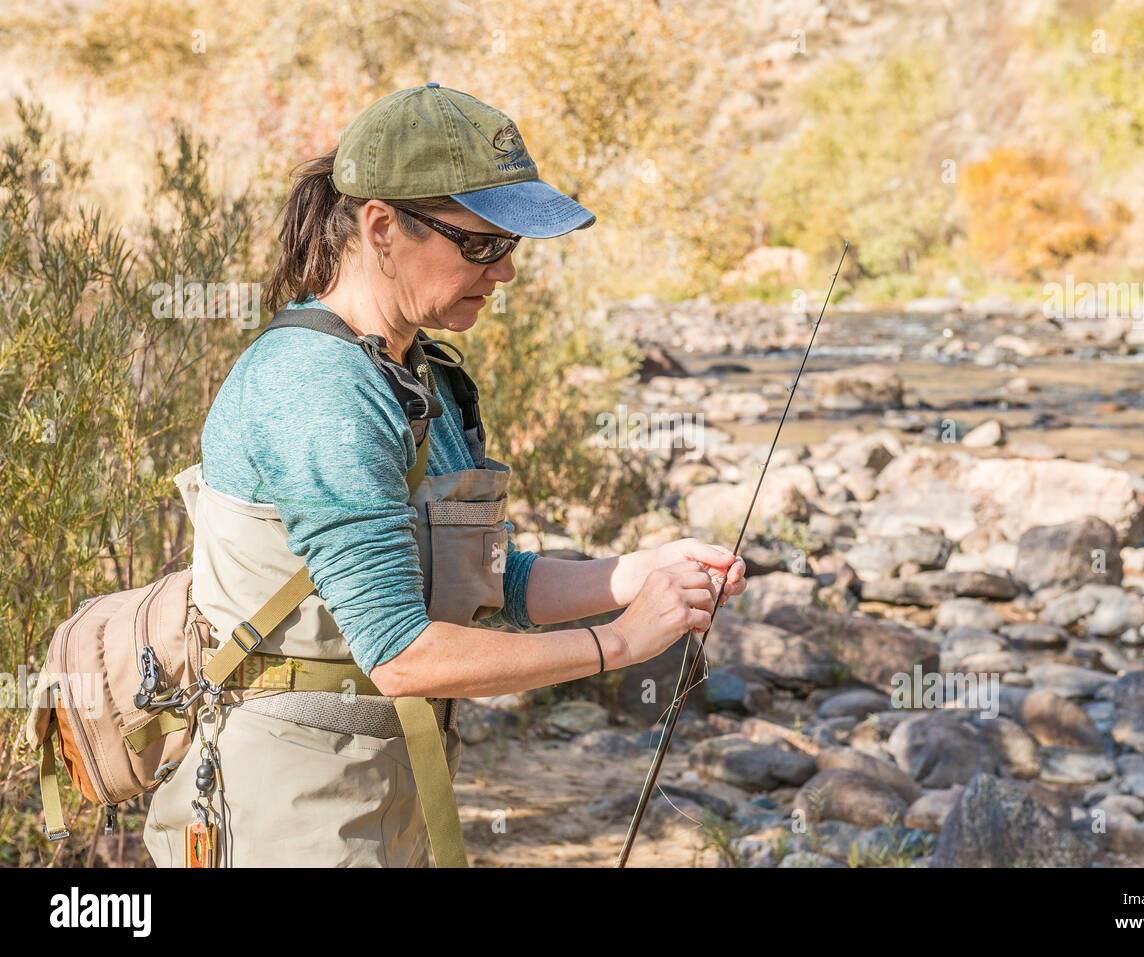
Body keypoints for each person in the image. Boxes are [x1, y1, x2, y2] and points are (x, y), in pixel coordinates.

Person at [142, 82, 746, 867]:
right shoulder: (319, 389)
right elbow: (401, 652)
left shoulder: (417, 372)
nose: (504, 273)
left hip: (382, 798)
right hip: (286, 819)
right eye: (481, 244)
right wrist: (622, 641)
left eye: (512, 247)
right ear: (382, 226)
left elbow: (484, 580)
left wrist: (634, 572)